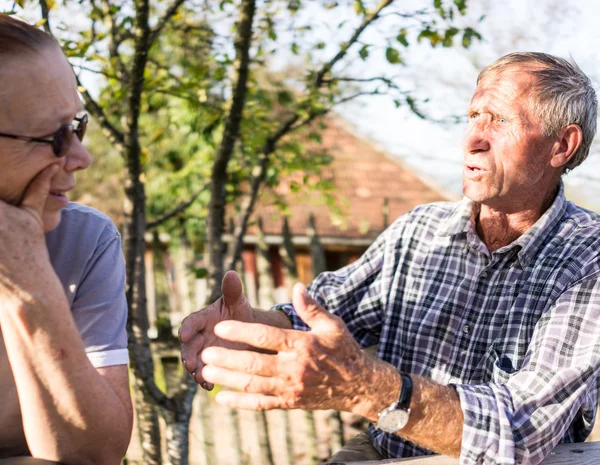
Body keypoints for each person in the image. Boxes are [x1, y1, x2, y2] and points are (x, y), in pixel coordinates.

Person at [180, 51, 600, 465]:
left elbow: (520, 429)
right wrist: (250, 327)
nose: (473, 139)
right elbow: (328, 312)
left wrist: (368, 387)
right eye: (474, 116)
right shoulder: (420, 230)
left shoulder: (588, 258)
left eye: (501, 120)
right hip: (386, 452)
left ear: (562, 145)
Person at [0, 15, 132, 464]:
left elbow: (95, 455)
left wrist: (31, 285)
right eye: (56, 136)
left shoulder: (83, 242)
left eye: (78, 125)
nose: (82, 156)